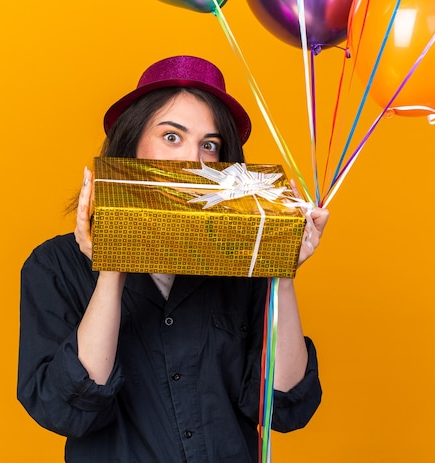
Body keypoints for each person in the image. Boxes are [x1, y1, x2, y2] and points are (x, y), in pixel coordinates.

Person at [17, 55, 329, 462]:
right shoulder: (54, 265)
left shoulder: (245, 265)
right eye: (171, 137)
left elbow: (284, 408)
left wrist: (280, 271)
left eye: (209, 145)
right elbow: (68, 411)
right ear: (132, 143)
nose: (191, 161)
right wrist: (112, 265)